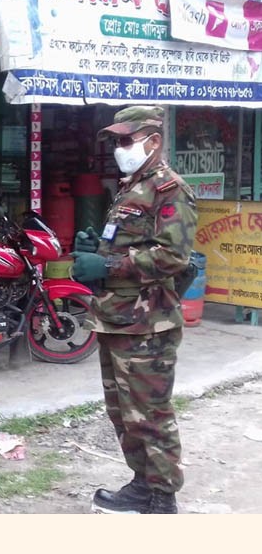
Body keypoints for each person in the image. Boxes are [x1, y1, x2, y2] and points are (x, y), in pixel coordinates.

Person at [71, 106, 197, 514]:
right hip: (116, 317)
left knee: (150, 414)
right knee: (123, 413)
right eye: (116, 141)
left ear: (153, 141)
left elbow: (173, 256)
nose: (119, 149)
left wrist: (106, 265)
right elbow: (129, 243)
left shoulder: (169, 190)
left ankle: (162, 498)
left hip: (149, 324)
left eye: (126, 140)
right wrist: (96, 246)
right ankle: (142, 484)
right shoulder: (131, 187)